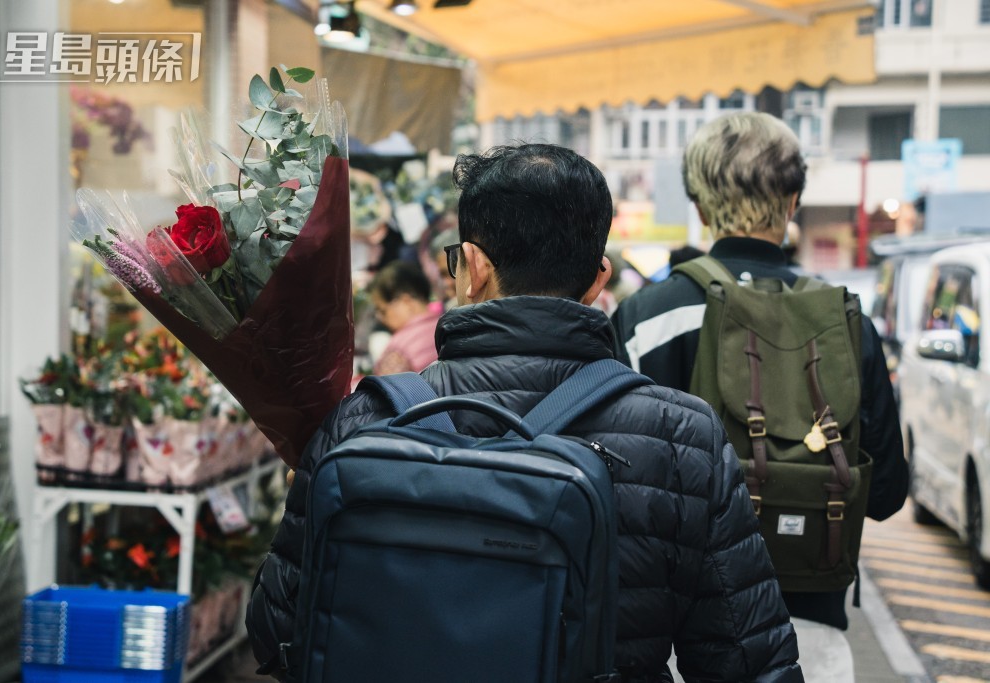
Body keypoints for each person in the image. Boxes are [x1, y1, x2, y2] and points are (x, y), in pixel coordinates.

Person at [246, 143, 803, 683]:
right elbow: (750, 663)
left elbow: (277, 635)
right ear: (599, 280)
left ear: (472, 266)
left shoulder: (365, 419)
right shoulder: (683, 436)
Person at [611, 112, 908, 682]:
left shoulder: (649, 318)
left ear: (697, 205)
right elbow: (887, 493)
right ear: (793, 201)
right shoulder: (845, 325)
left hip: (675, 643)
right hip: (813, 637)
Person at [368, 260, 441, 375]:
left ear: (406, 302)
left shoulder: (397, 349)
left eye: (383, 311)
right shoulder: (447, 323)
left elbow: (388, 388)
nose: (380, 318)